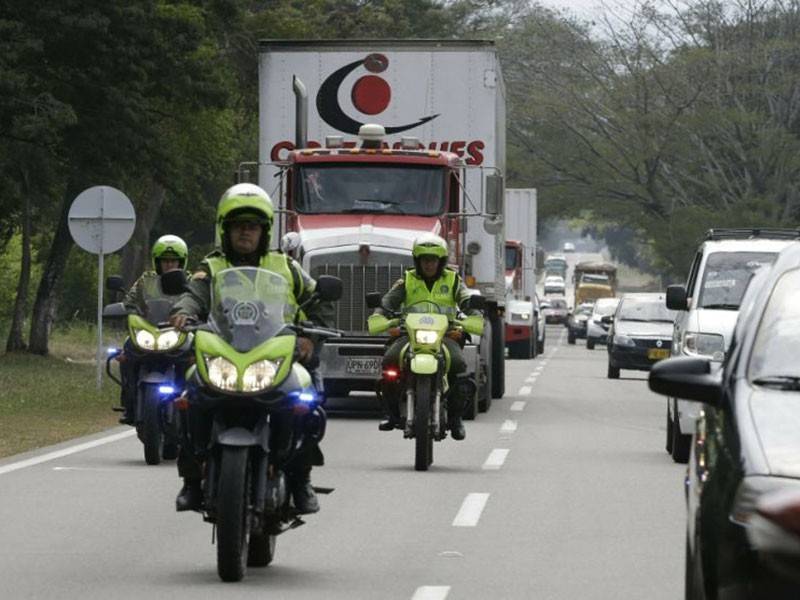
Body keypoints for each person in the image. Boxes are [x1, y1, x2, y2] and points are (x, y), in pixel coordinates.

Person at [169, 183, 330, 514]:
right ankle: (190, 479)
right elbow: (193, 295)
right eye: (238, 225)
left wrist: (309, 340)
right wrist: (183, 313)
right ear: (225, 230)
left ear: (264, 230)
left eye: (252, 226)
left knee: (306, 400)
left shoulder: (285, 266)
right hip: (224, 353)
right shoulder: (212, 267)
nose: (245, 231)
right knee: (187, 394)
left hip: (277, 352)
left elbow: (318, 301)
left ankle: (301, 479)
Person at [374, 233, 481, 440]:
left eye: (433, 260)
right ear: (418, 261)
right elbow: (387, 302)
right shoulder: (406, 280)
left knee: (458, 365)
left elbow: (467, 301)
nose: (429, 264)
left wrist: (474, 317)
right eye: (425, 260)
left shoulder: (453, 280)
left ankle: (456, 418)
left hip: (445, 336)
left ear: (441, 262)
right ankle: (392, 414)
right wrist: (379, 316)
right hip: (409, 335)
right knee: (390, 361)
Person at [117, 235, 189, 425]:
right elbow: (130, 301)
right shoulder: (146, 280)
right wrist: (128, 309)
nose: (169, 265)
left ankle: (192, 401)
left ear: (181, 262)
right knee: (125, 352)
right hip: (149, 331)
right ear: (157, 262)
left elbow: (200, 302)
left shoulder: (189, 281)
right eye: (165, 261)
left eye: (173, 261)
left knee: (196, 356)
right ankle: (128, 403)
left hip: (179, 333)